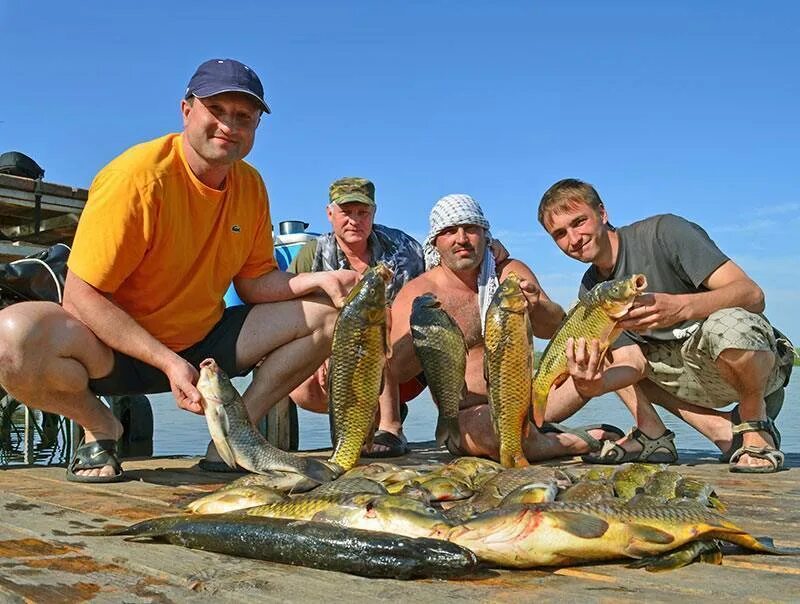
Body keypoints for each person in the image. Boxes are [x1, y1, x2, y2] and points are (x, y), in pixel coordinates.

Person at [0, 59, 358, 482]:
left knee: (331, 314)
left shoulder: (251, 186)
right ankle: (101, 428)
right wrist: (168, 362)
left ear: (257, 126)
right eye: (217, 110)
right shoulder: (135, 179)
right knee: (11, 338)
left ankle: (237, 435)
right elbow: (81, 296)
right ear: (187, 110)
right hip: (114, 348)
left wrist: (317, 279)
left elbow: (255, 282)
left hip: (205, 343)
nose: (229, 124)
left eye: (243, 116)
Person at [537, 178, 794, 473]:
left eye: (579, 221)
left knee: (729, 323)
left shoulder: (664, 232)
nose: (574, 238)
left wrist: (681, 307)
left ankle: (754, 424)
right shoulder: (592, 289)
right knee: (590, 330)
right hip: (686, 377)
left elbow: (752, 295)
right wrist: (593, 385)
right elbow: (631, 363)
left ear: (602, 213)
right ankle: (687, 433)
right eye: (559, 234)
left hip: (754, 365)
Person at [387, 194, 625, 462]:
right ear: (435, 241)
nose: (462, 239)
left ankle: (542, 432)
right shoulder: (419, 293)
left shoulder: (508, 273)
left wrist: (536, 304)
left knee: (616, 354)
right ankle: (575, 441)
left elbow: (555, 328)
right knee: (492, 435)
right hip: (472, 414)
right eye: (450, 231)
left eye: (471, 229)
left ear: (484, 234)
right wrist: (420, 333)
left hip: (532, 400)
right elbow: (397, 371)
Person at [287, 177, 425, 457]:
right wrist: (322, 356)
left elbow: (445, 268)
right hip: (333, 361)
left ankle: (391, 426)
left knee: (373, 325)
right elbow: (290, 311)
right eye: (346, 212)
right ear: (330, 214)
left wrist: (491, 248)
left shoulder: (405, 248)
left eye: (362, 213)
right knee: (301, 388)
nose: (354, 220)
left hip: (401, 363)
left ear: (374, 213)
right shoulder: (310, 255)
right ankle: (359, 428)